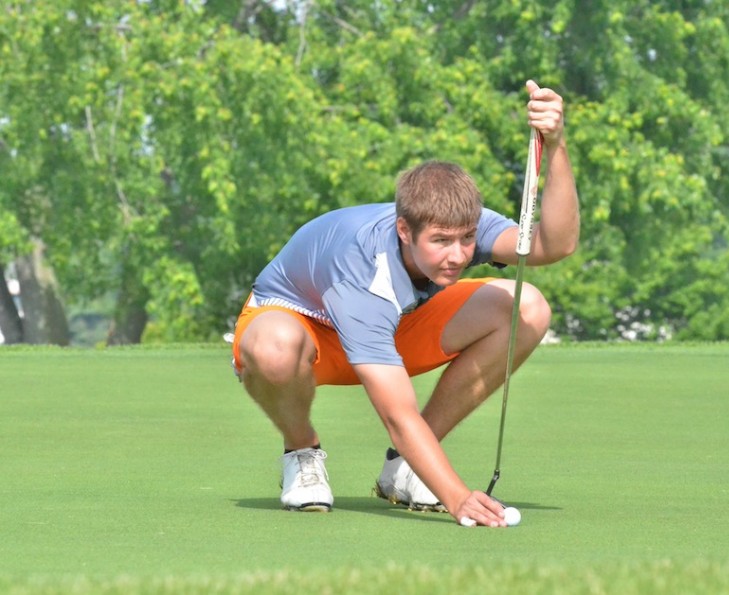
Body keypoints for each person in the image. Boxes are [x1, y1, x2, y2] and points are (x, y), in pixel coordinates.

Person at [231, 79, 579, 527]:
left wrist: (557, 145)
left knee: (525, 305)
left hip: (394, 325)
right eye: (440, 242)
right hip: (303, 332)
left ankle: (407, 468)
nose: (458, 255)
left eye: (466, 240)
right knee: (272, 346)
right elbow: (396, 413)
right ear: (403, 231)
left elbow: (554, 244)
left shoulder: (457, 221)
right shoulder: (361, 270)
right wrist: (457, 498)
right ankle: (302, 452)